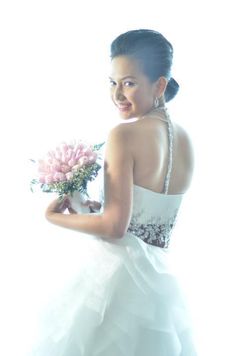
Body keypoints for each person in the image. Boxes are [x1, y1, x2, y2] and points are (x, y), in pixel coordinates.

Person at [32, 29, 197, 355]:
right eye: (113, 82)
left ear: (160, 85)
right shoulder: (186, 140)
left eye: (130, 83)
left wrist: (53, 217)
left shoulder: (124, 135)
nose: (118, 94)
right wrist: (92, 209)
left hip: (114, 286)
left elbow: (115, 227)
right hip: (158, 292)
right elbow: (143, 222)